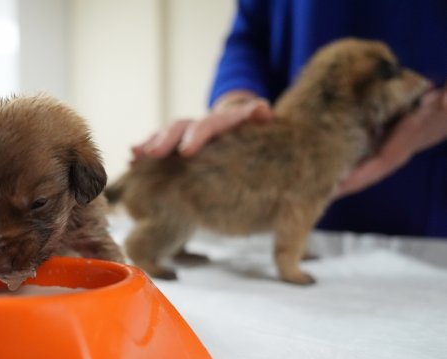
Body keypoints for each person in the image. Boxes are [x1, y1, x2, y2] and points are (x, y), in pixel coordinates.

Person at [134, 0, 447, 237]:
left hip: (426, 188)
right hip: (283, 157)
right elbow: (249, 34)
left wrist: (437, 113)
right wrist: (238, 101)